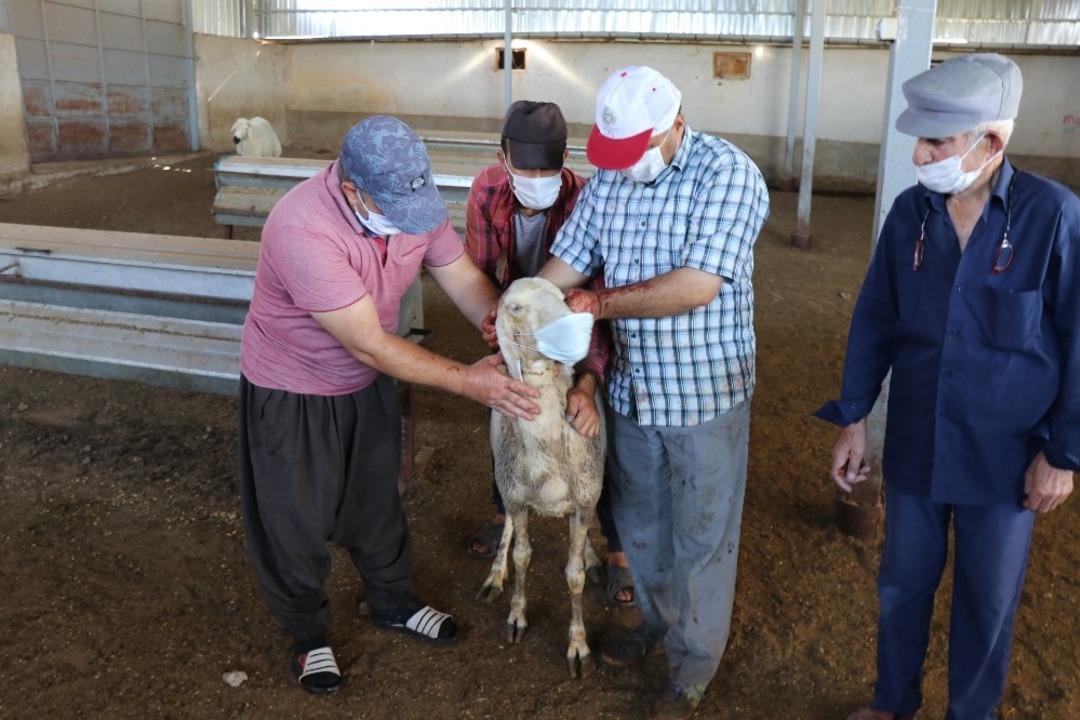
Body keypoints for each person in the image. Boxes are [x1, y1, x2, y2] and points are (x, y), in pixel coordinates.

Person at [816, 54, 1079, 720]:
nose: (920, 154)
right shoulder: (912, 216)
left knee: (987, 601)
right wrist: (854, 418)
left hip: (1008, 457)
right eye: (920, 137)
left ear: (992, 142)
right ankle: (891, 705)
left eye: (938, 141)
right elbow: (875, 317)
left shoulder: (1055, 218)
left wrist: (1064, 455)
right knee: (902, 585)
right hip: (917, 440)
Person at [238, 115, 540, 694]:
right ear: (354, 191)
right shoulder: (302, 227)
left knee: (376, 499)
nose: (407, 224)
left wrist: (502, 327)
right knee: (292, 515)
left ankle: (393, 601)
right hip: (293, 388)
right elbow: (367, 341)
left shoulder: (409, 199)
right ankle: (309, 635)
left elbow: (460, 276)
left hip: (366, 381)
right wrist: (466, 381)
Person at [539, 66, 770, 719]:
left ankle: (693, 665)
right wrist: (522, 306)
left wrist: (597, 302)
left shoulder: (727, 174)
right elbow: (567, 259)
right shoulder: (614, 175)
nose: (625, 165)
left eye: (637, 149)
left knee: (701, 533)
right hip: (635, 389)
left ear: (676, 123)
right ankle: (662, 623)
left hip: (702, 390)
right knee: (640, 521)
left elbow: (698, 284)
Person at [463, 99, 634, 606]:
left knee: (596, 424)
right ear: (503, 158)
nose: (537, 177)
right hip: (515, 315)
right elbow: (479, 274)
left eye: (548, 168)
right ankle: (506, 511)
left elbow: (596, 291)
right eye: (525, 168)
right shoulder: (486, 191)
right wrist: (504, 338)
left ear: (564, 163)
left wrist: (587, 378)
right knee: (510, 409)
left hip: (574, 319)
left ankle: (616, 545)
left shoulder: (585, 197)